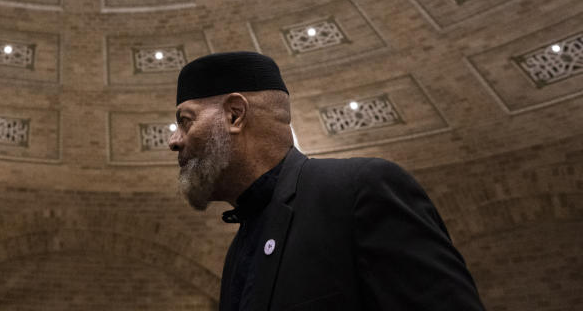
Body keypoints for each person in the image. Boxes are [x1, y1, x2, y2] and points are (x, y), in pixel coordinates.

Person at [168, 51, 484, 311]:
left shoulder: (358, 191)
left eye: (185, 121)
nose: (173, 140)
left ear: (235, 115)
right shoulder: (239, 248)